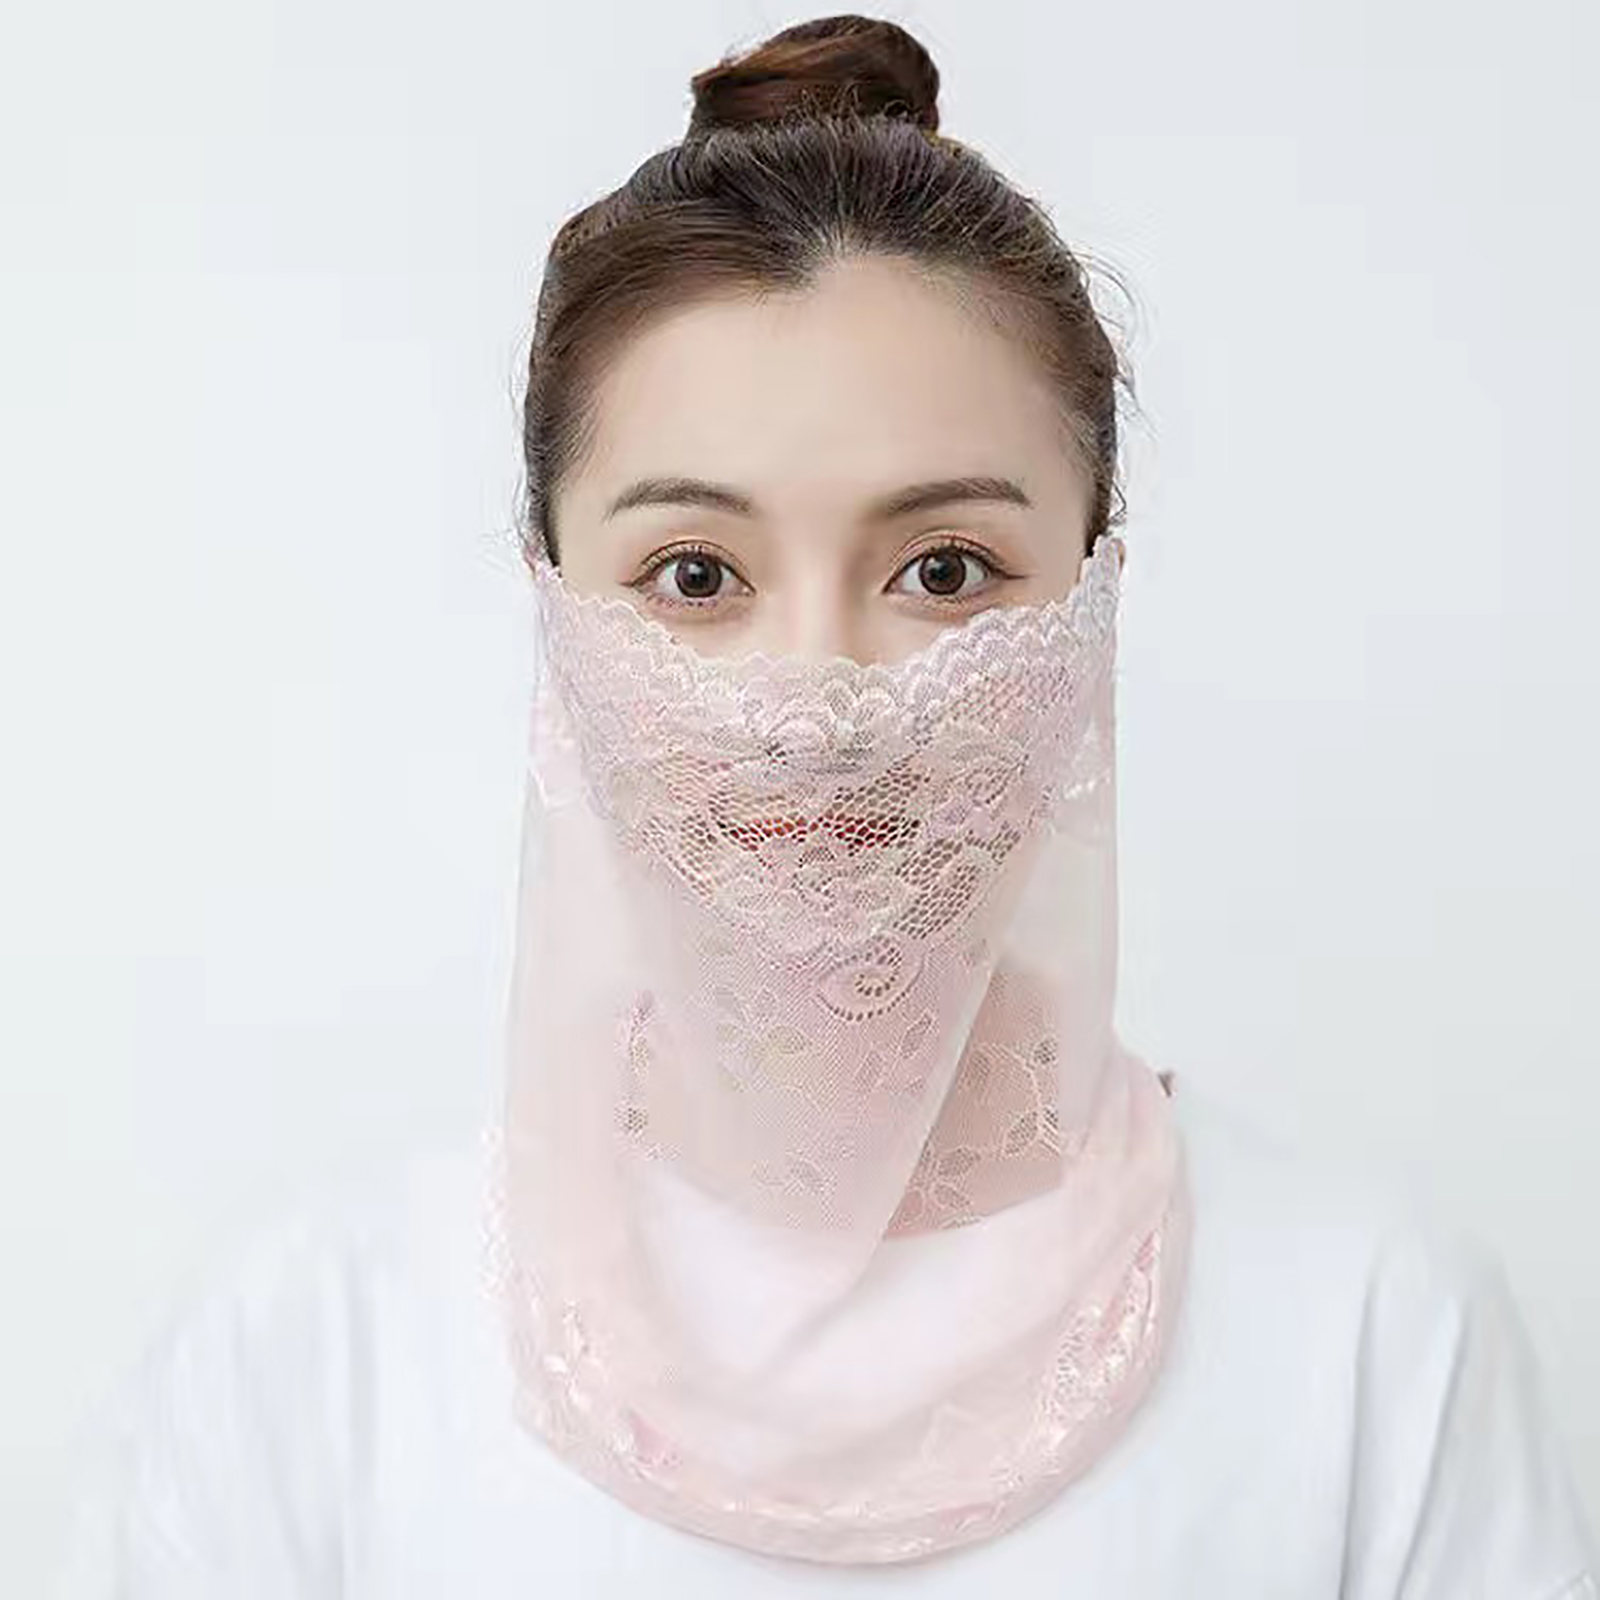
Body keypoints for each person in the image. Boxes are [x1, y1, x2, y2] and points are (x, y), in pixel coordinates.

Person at [58, 13, 1595, 1597]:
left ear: (1097, 597)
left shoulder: (1373, 1345)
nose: (819, 707)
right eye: (694, 576)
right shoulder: (306, 1372)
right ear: (551, 603)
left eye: (945, 570)